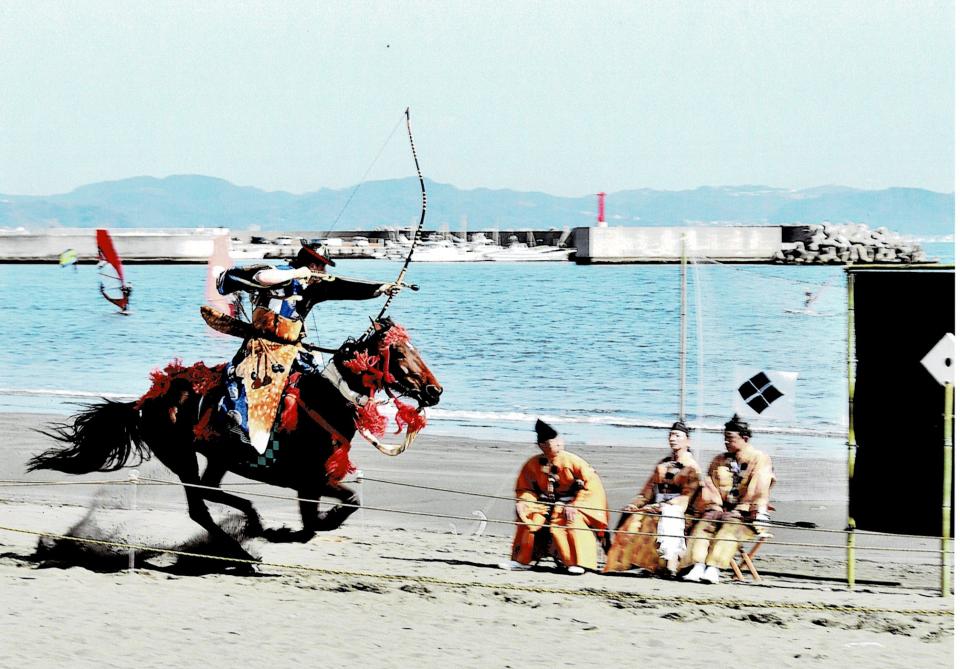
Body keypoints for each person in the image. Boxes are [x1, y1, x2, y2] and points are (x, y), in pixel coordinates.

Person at [212, 241, 403, 453]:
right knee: (253, 384)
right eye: (320, 266)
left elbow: (344, 286)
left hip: (293, 350)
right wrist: (297, 273)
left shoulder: (313, 286)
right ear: (310, 263)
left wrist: (381, 289)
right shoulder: (280, 274)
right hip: (264, 348)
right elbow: (260, 278)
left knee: (320, 387)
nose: (323, 272)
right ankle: (238, 425)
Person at [500, 419, 608, 575]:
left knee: (569, 520)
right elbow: (525, 488)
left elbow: (591, 486)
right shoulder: (532, 463)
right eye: (553, 443)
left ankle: (577, 562)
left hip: (570, 503)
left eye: (559, 442)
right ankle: (521, 560)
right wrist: (524, 502)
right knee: (529, 516)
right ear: (542, 445)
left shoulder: (574, 461)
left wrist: (575, 504)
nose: (558, 446)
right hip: (543, 502)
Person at [682, 414, 775, 584]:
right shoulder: (719, 460)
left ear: (744, 438)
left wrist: (743, 509)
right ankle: (698, 565)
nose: (726, 442)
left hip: (747, 514)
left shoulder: (760, 459)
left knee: (730, 526)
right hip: (718, 509)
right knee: (705, 524)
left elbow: (758, 489)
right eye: (724, 438)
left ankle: (713, 568)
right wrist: (715, 505)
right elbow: (709, 484)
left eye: (730, 438)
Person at [603, 420, 701, 576]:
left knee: (652, 520)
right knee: (632, 518)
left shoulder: (692, 467)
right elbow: (648, 491)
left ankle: (664, 565)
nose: (672, 439)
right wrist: (636, 504)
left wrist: (661, 506)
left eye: (677, 435)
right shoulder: (662, 464)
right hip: (655, 505)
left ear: (687, 440)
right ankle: (625, 562)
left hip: (679, 509)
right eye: (670, 435)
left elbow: (686, 496)